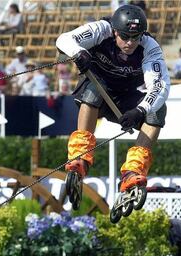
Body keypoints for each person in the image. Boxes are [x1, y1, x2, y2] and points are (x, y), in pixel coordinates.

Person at [56, 5, 169, 206]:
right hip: (96, 92)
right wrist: (79, 52)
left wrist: (140, 110)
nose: (130, 43)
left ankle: (133, 171)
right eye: (125, 36)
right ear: (115, 31)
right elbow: (64, 40)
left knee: (158, 110)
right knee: (94, 88)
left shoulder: (150, 47)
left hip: (125, 100)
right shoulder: (101, 29)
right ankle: (80, 156)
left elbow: (159, 87)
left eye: (136, 37)